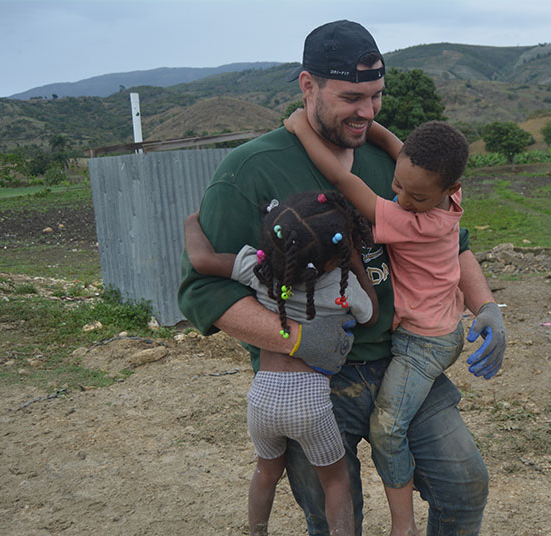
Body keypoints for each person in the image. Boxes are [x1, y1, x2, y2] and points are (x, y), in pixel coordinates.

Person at [178, 19, 507, 535]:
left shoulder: (396, 165)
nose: (368, 111)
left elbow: (453, 246)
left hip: (403, 356)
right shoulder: (251, 171)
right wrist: (298, 336)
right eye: (352, 96)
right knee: (335, 521)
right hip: (309, 382)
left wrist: (486, 306)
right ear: (308, 85)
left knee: (464, 488)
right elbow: (205, 291)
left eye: (376, 96)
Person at [285, 111, 485, 535]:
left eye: (415, 196)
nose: (403, 199)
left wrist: (303, 129)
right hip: (436, 329)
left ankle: (402, 525)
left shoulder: (416, 222)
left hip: (423, 343)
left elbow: (345, 184)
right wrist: (368, 126)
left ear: (446, 191)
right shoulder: (448, 197)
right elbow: (403, 153)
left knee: (387, 428)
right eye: (397, 186)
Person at [184, 190, 378, 536]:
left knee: (266, 472)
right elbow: (371, 314)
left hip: (261, 399)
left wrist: (191, 222)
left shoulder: (260, 271)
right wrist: (354, 261)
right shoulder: (341, 287)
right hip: (310, 404)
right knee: (335, 483)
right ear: (334, 257)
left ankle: (256, 530)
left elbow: (202, 260)